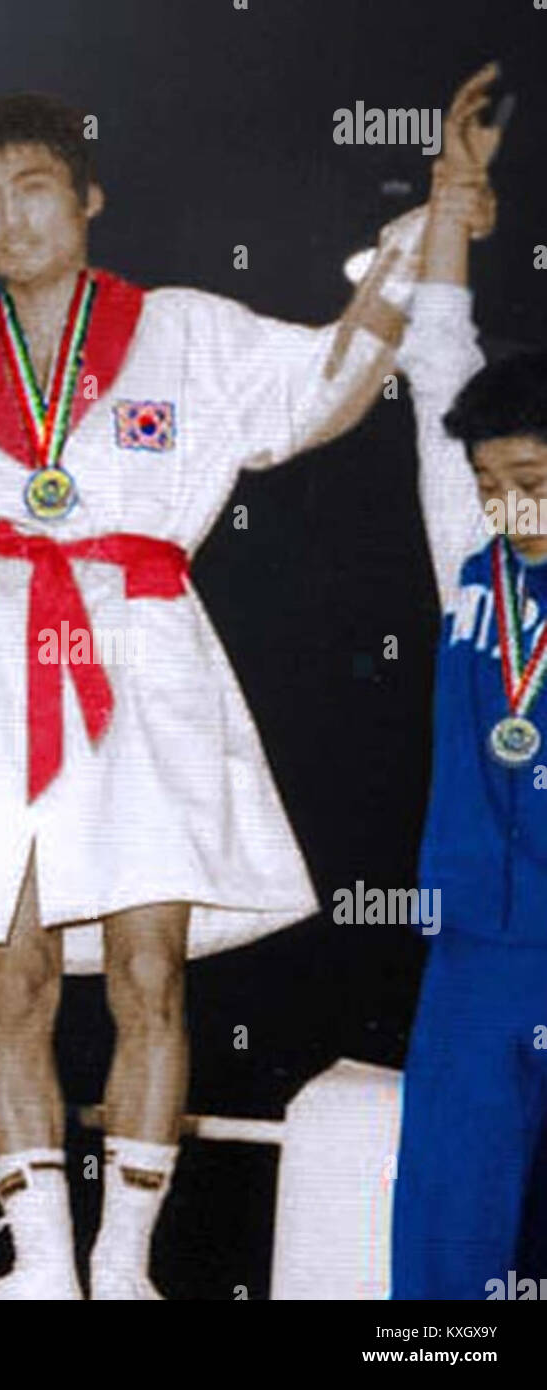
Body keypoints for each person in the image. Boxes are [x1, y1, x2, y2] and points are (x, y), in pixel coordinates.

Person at [0, 81, 448, 1299]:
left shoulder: (189, 333)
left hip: (145, 657)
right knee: (17, 974)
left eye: (33, 190)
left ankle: (127, 1263)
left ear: (87, 197)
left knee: (150, 968)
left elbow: (322, 383)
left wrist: (427, 235)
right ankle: (42, 1268)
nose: (9, 221)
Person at [391, 70, 545, 1300]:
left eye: (535, 473)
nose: (512, 502)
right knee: (444, 1209)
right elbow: (436, 356)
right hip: (481, 938)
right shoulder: (471, 562)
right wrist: (450, 189)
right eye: (494, 479)